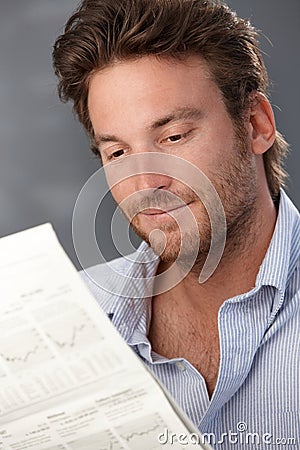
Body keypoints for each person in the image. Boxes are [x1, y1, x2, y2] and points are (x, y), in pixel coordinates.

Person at [53, 0, 299, 447]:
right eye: (119, 153)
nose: (146, 183)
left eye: (173, 136)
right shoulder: (67, 322)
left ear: (256, 125)